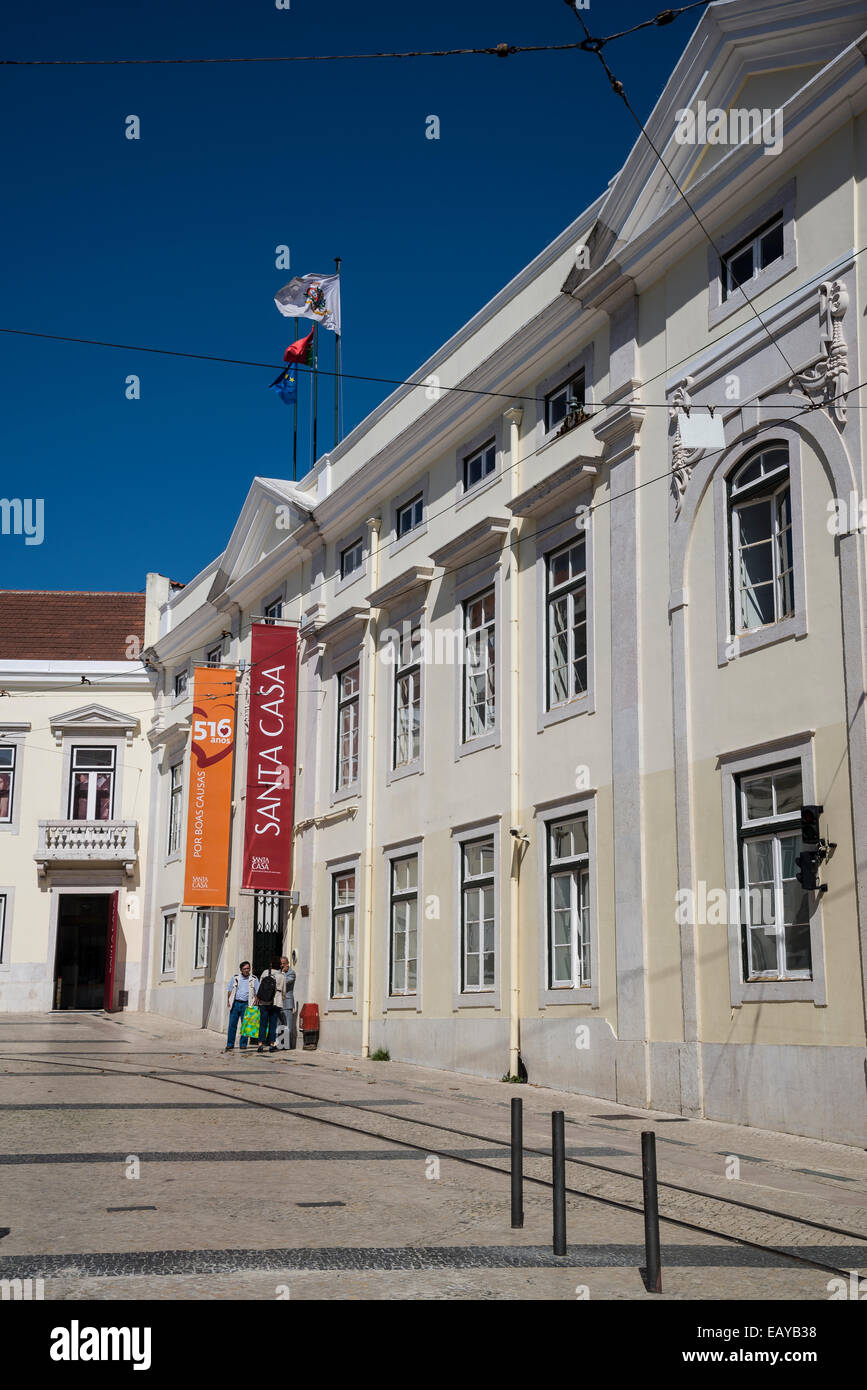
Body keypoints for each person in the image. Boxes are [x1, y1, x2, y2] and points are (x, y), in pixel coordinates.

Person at [224, 961, 259, 1053]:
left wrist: (256, 1002)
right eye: (245, 969)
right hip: (235, 1004)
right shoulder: (235, 978)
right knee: (232, 1025)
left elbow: (257, 992)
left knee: (245, 1026)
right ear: (241, 970)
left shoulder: (254, 979)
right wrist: (229, 1001)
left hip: (247, 1005)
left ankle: (243, 1044)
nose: (247, 970)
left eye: (248, 968)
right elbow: (230, 990)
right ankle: (230, 1044)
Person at [256, 955, 288, 1053]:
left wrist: (259, 998)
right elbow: (284, 991)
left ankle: (260, 1044)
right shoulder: (282, 976)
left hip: (264, 1002)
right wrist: (280, 998)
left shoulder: (265, 972)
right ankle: (271, 1044)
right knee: (273, 1024)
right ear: (279, 965)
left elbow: (260, 986)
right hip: (276, 1002)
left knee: (263, 1023)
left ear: (271, 964)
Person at [280, 954, 298, 1050]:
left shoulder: (291, 973)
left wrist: (282, 973)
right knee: (280, 1025)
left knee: (288, 1025)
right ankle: (280, 1044)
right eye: (281, 964)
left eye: (284, 964)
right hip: (279, 1002)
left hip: (287, 1001)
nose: (282, 966)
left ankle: (287, 1046)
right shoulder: (279, 972)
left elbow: (284, 983)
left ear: (288, 964)